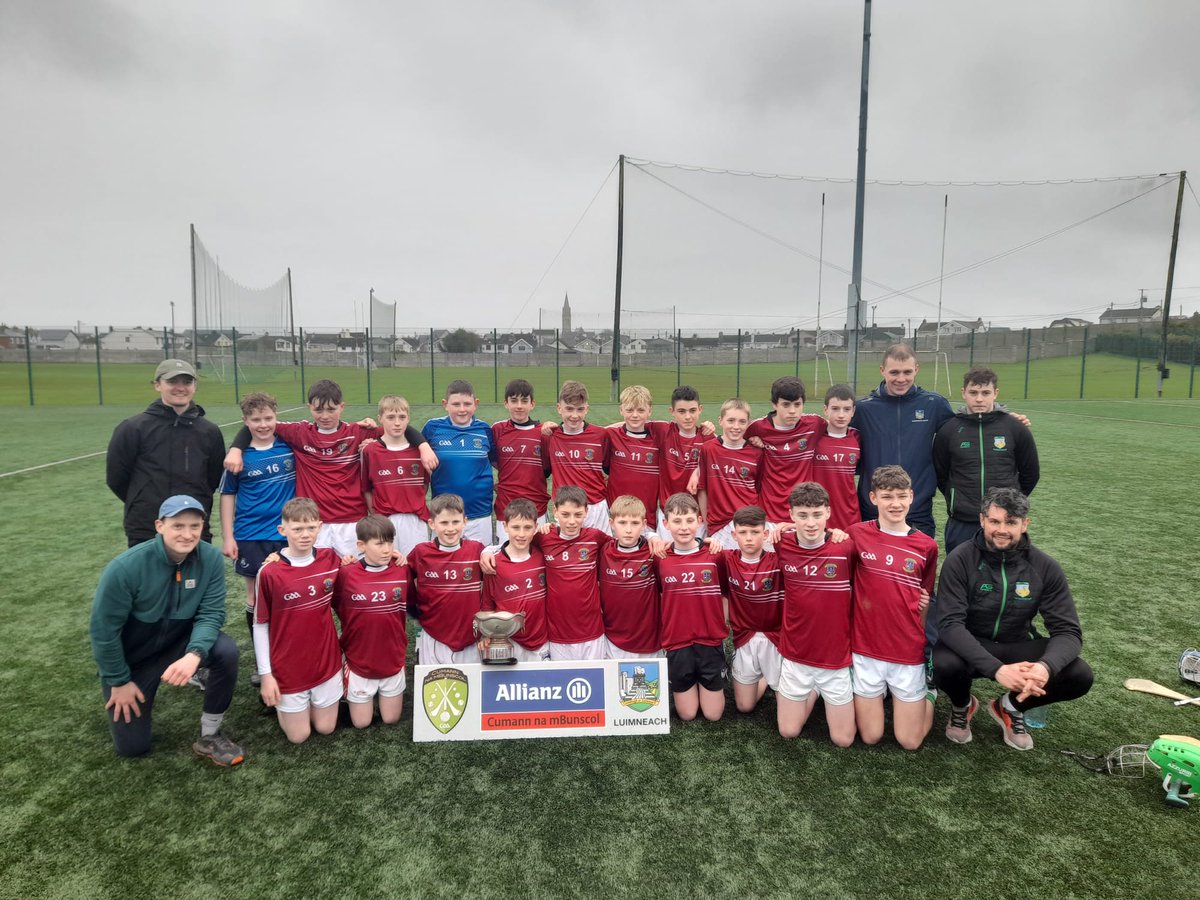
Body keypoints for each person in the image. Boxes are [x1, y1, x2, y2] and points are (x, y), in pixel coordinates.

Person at [933, 488, 1093, 751]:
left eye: (1011, 522)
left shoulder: (1044, 566)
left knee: (1079, 674)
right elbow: (950, 625)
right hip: (972, 644)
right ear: (982, 520)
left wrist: (1045, 667)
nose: (1002, 530)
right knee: (943, 663)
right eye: (994, 521)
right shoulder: (960, 560)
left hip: (1018, 644)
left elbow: (1068, 632)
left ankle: (1010, 706)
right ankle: (962, 704)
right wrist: (997, 669)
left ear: (1025, 523)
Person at [89, 495, 243, 764]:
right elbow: (104, 631)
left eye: (194, 526)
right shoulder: (125, 568)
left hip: (180, 644)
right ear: (160, 526)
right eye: (178, 526)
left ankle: (210, 734)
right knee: (133, 747)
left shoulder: (210, 559)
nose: (187, 534)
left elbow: (211, 614)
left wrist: (194, 654)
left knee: (226, 651)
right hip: (135, 659)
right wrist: (119, 681)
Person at [225, 379, 434, 556]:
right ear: (309, 407)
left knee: (352, 581)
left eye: (331, 409)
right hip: (316, 523)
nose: (325, 416)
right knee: (319, 581)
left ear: (342, 407)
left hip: (352, 522)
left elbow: (398, 428)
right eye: (318, 410)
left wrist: (423, 446)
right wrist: (235, 449)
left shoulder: (358, 432)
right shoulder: (300, 433)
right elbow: (259, 425)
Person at [847, 466, 939, 751]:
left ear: (912, 496)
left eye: (901, 496)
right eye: (887, 497)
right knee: (871, 736)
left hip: (906, 651)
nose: (895, 504)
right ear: (873, 498)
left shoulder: (926, 546)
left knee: (909, 742)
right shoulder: (855, 535)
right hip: (865, 649)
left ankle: (931, 694)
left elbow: (924, 599)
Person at [106, 359, 226, 546]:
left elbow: (213, 478)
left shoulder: (209, 431)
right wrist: (144, 500)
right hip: (146, 527)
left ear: (195, 386)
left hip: (193, 528)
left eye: (187, 382)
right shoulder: (133, 428)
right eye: (172, 382)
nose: (180, 388)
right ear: (157, 385)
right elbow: (117, 478)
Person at [253, 497, 343, 743]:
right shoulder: (269, 572)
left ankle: (312, 699)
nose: (305, 534)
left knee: (325, 728)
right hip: (288, 667)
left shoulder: (331, 559)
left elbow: (363, 564)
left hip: (326, 662)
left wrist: (396, 555)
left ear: (320, 527)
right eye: (297, 529)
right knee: (299, 736)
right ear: (283, 530)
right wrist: (266, 675)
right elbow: (260, 625)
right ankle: (282, 701)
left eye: (311, 527)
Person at [774, 483, 857, 746]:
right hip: (797, 655)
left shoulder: (845, 548)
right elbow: (747, 538)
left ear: (828, 513)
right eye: (803, 515)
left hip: (835, 658)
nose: (811, 523)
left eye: (817, 514)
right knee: (788, 731)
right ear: (791, 515)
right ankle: (811, 691)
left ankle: (821, 691)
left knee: (843, 740)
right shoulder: (781, 544)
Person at [850, 345, 954, 537]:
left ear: (916, 369)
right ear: (882, 370)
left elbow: (964, 429)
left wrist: (1004, 418)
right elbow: (831, 431)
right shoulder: (863, 409)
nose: (901, 379)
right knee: (874, 567)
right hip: (874, 508)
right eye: (894, 372)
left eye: (907, 372)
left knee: (918, 566)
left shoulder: (933, 404)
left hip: (917, 508)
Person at [933, 368, 1040, 553]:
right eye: (973, 393)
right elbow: (941, 473)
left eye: (986, 393)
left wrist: (1010, 501)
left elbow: (1031, 473)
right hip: (962, 521)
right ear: (963, 393)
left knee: (1004, 574)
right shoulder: (949, 430)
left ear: (995, 393)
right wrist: (957, 499)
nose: (979, 399)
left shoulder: (1015, 428)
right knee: (960, 574)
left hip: (1004, 522)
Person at [219, 391, 294, 637]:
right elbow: (227, 495)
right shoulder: (237, 459)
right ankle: (262, 658)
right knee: (255, 596)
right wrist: (229, 537)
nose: (263, 425)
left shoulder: (289, 447)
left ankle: (285, 651)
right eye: (256, 420)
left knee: (288, 592)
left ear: (276, 417)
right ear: (245, 421)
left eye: (268, 418)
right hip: (250, 536)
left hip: (286, 535)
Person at [333, 515, 411, 728]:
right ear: (361, 545)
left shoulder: (402, 569)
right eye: (379, 543)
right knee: (361, 723)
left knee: (391, 719)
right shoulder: (346, 573)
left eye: (389, 542)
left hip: (392, 658)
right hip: (360, 660)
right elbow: (334, 602)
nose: (386, 549)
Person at [657, 492, 729, 722]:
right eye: (677, 521)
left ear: (700, 521)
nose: (684, 527)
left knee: (713, 715)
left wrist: (722, 622)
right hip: (678, 642)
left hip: (710, 640)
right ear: (666, 524)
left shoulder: (716, 555)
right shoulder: (660, 558)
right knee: (687, 715)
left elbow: (726, 592)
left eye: (689, 520)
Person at [407, 494, 485, 665]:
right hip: (433, 635)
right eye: (444, 523)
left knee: (470, 688)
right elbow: (402, 578)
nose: (450, 528)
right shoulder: (421, 553)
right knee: (434, 688)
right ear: (432, 524)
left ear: (464, 522)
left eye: (455, 522)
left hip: (470, 637)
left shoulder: (477, 550)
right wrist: (414, 610)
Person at [720, 505, 783, 714]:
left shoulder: (779, 560)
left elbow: (811, 537)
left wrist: (785, 526)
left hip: (776, 639)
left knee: (789, 700)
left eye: (755, 532)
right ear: (733, 535)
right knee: (744, 707)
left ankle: (811, 687)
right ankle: (763, 677)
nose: (749, 538)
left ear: (765, 534)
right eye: (743, 533)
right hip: (743, 637)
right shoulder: (726, 560)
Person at [423, 379, 497, 545]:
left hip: (480, 514)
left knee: (480, 563)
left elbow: (498, 462)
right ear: (445, 404)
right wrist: (423, 447)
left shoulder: (484, 429)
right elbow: (407, 442)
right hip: (445, 516)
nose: (462, 410)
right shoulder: (433, 428)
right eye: (456, 404)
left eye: (467, 404)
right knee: (444, 563)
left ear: (475, 404)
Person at [745, 376, 826, 527]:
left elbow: (841, 429)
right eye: (786, 405)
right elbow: (730, 442)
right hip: (769, 513)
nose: (793, 411)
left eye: (797, 404)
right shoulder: (757, 427)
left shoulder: (815, 424)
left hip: (803, 514)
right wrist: (751, 440)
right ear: (774, 405)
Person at [481, 499, 550, 662]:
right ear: (505, 526)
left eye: (527, 527)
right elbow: (487, 606)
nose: (521, 534)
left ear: (535, 527)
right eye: (515, 527)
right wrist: (487, 635)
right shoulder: (493, 564)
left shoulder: (543, 557)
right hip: (506, 642)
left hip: (541, 641)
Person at [362, 394, 430, 555]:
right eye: (391, 417)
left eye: (402, 417)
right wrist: (377, 516)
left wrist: (410, 501)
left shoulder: (418, 450)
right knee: (386, 565)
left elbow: (424, 485)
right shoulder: (370, 451)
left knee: (415, 567)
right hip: (385, 519)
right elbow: (366, 489)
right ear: (380, 418)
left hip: (415, 520)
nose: (397, 422)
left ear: (408, 418)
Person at [542, 380, 611, 534]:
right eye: (569, 409)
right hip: (565, 509)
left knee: (601, 553)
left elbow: (610, 469)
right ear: (559, 408)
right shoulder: (550, 436)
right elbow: (544, 471)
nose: (574, 415)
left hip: (595, 507)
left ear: (587, 409)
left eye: (580, 409)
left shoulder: (600, 435)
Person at [598, 495, 661, 660]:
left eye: (634, 523)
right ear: (611, 523)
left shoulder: (654, 552)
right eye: (622, 523)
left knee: (648, 685)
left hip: (649, 640)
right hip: (613, 640)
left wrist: (653, 536)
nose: (628, 529)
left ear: (644, 525)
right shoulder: (603, 551)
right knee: (616, 685)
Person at [698, 399, 763, 550]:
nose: (736, 426)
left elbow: (758, 490)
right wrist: (708, 524)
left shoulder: (757, 452)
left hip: (748, 524)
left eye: (742, 422)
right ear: (720, 420)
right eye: (731, 420)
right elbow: (702, 489)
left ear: (748, 423)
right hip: (718, 526)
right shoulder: (708, 449)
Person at [491, 379, 549, 545]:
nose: (519, 406)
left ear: (532, 404)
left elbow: (547, 468)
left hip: (537, 508)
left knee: (537, 557)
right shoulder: (498, 429)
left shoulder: (543, 432)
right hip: (506, 508)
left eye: (524, 401)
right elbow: (494, 460)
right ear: (506, 403)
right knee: (506, 557)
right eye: (514, 401)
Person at [604, 385, 664, 534]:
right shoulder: (611, 435)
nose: (635, 415)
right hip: (616, 517)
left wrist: (707, 427)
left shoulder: (659, 437)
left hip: (646, 518)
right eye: (629, 410)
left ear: (650, 411)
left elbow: (684, 431)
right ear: (621, 410)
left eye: (641, 410)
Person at [812, 384, 862, 531]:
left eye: (846, 409)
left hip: (849, 512)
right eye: (835, 408)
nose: (841, 415)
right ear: (825, 409)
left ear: (853, 411)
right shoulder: (813, 436)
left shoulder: (858, 438)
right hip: (817, 511)